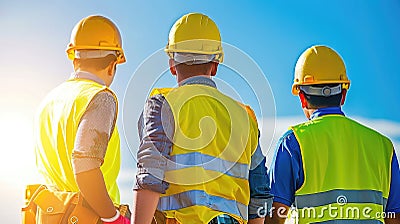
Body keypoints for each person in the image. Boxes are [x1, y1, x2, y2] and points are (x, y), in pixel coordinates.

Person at [131, 13, 272, 224]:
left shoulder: (163, 104)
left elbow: (150, 176)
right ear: (215, 66)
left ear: (172, 64)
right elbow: (259, 192)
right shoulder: (246, 118)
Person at [266, 45, 400, 224]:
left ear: (302, 98)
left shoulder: (292, 143)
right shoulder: (384, 147)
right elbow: (394, 217)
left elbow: (274, 218)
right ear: (343, 94)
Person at [34, 15, 130, 224]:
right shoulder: (100, 97)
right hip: (91, 216)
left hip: (51, 215)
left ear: (75, 58)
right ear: (113, 65)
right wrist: (112, 217)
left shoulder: (49, 100)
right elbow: (85, 167)